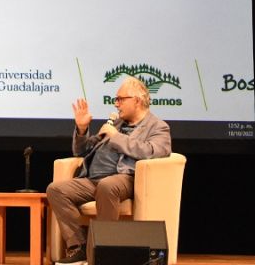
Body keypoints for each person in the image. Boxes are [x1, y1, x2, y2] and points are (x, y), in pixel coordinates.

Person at [46, 77, 172, 264]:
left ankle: (102, 252)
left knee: (107, 186)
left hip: (124, 177)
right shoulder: (117, 124)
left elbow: (154, 151)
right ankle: (79, 246)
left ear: (137, 100)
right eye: (116, 99)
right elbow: (82, 151)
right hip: (91, 179)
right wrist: (82, 129)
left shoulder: (157, 126)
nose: (116, 104)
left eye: (121, 99)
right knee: (56, 190)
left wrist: (117, 137)